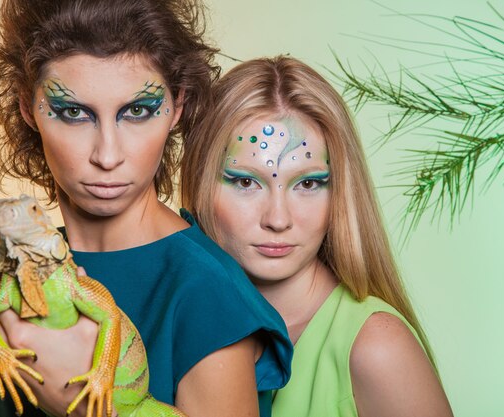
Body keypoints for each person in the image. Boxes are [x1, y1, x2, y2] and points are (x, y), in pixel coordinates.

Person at [0, 2, 292, 417]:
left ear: (178, 107)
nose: (108, 154)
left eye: (137, 111)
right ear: (28, 108)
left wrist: (80, 409)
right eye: (74, 112)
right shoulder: (36, 264)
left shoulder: (205, 293)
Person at [181, 56, 454, 417]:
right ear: (199, 183)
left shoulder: (377, 347)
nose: (278, 219)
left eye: (308, 183)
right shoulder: (186, 320)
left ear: (340, 191)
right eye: (246, 182)